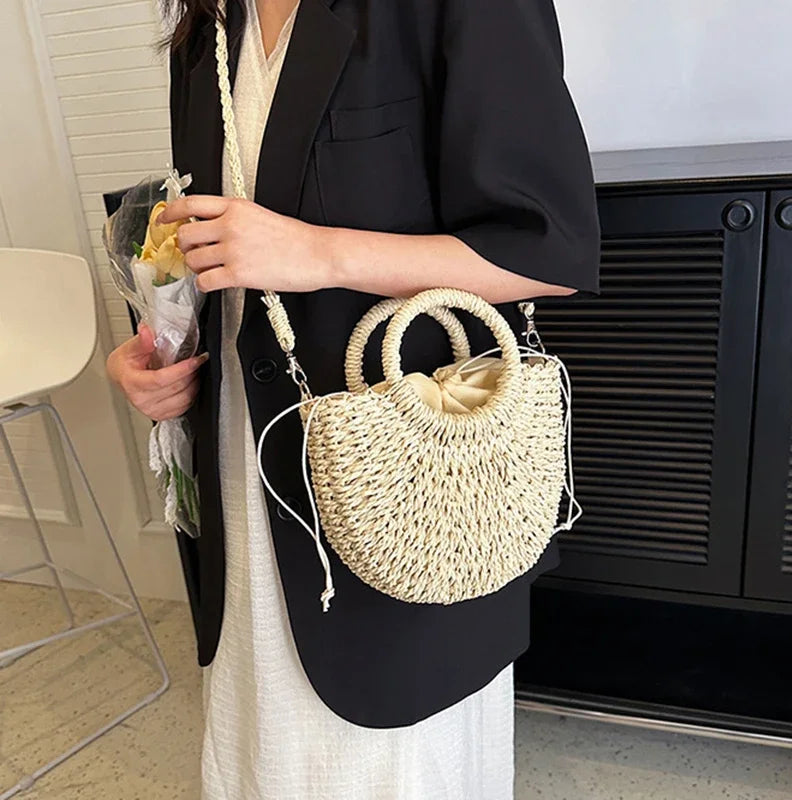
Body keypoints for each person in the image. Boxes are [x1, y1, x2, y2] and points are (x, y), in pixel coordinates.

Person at [106, 0, 600, 796]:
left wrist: (318, 253)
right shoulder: (207, 25)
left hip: (409, 480)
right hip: (246, 477)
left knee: (400, 763)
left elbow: (549, 250)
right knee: (264, 751)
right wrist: (159, 349)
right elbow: (219, 239)